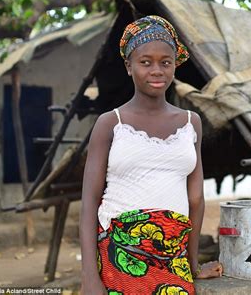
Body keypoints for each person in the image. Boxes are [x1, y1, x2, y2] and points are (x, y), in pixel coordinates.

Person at [80, 15, 223, 294]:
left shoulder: (191, 123)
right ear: (129, 66)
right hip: (119, 251)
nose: (157, 70)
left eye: (165, 62)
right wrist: (89, 277)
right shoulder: (111, 123)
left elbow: (196, 199)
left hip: (173, 255)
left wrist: (192, 266)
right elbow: (89, 203)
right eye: (146, 62)